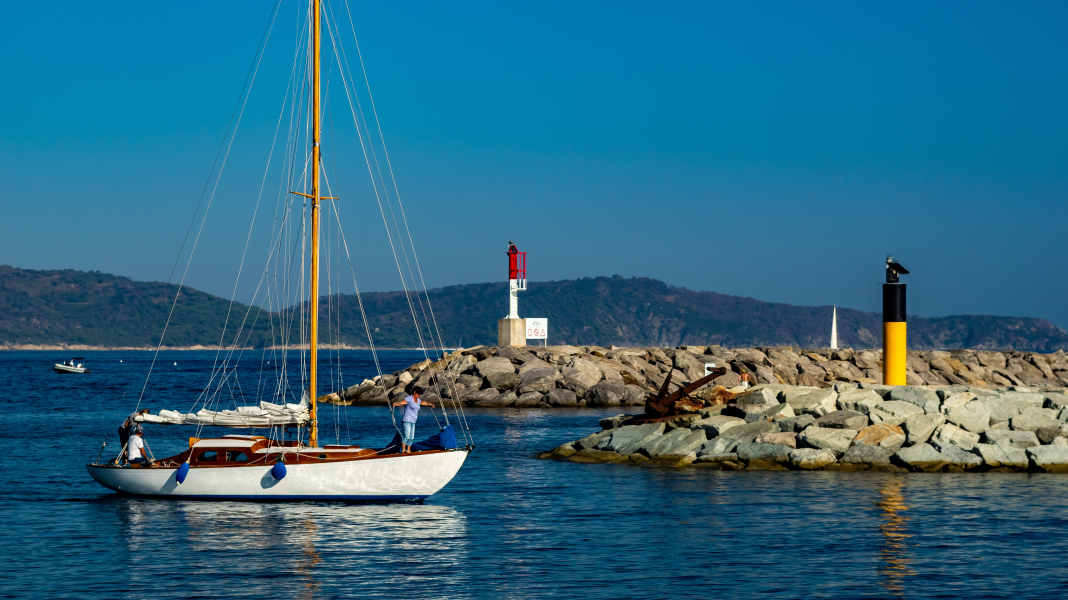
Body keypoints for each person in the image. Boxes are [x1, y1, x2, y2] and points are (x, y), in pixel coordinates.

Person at [391, 386, 434, 453]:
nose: (419, 395)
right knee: (406, 436)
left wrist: (430, 404)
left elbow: (423, 403)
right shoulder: (409, 398)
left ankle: (408, 449)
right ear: (414, 392)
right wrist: (396, 404)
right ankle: (403, 450)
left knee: (411, 437)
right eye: (418, 394)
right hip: (407, 421)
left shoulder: (418, 400)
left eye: (420, 394)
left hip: (413, 421)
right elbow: (403, 402)